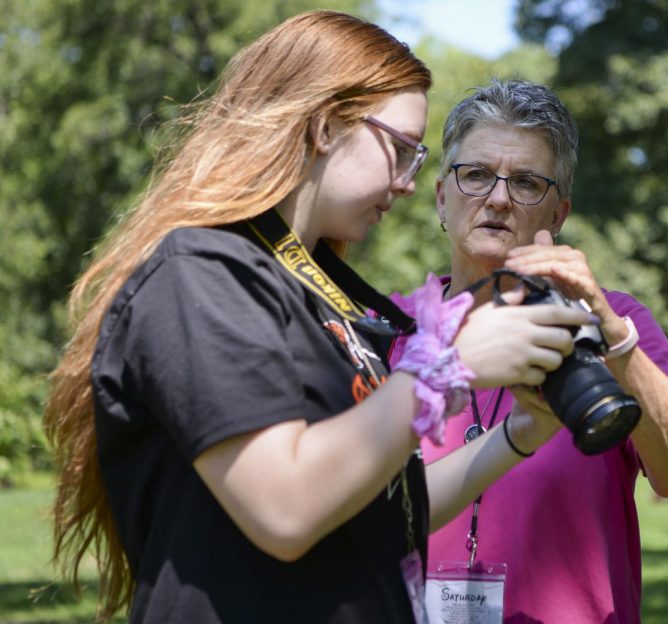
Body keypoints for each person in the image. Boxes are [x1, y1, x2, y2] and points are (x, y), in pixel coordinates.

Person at [42, 16, 599, 623]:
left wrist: (520, 434)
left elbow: (385, 511)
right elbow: (284, 507)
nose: (409, 184)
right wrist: (449, 366)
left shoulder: (320, 296)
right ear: (325, 126)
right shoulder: (199, 273)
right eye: (402, 150)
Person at [401, 79, 668, 623]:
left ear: (558, 213)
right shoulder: (388, 329)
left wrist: (608, 334)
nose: (498, 198)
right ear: (441, 195)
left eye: (526, 182)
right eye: (476, 174)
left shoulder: (615, 321)